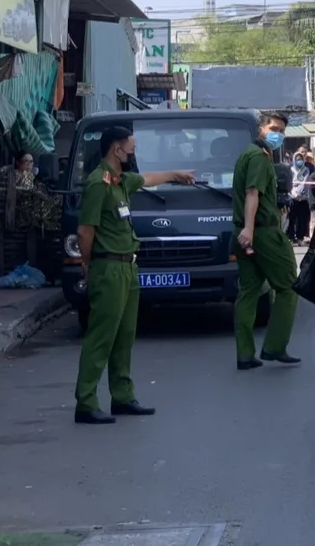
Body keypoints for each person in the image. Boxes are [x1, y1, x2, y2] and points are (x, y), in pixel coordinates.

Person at [73, 126, 196, 424]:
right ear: (117, 150)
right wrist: (88, 265)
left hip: (128, 266)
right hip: (108, 268)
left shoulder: (119, 181)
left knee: (124, 336)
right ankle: (86, 402)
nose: (133, 154)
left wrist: (175, 174)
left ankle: (122, 396)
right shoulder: (98, 184)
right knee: (101, 337)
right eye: (131, 149)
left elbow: (148, 179)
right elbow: (84, 231)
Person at [232, 112, 303, 371]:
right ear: (261, 128)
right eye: (274, 128)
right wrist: (250, 229)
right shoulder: (259, 159)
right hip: (262, 233)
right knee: (289, 287)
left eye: (282, 130)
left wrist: (245, 230)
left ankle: (245, 354)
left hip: (245, 231)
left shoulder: (249, 154)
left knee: (249, 292)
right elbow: (252, 194)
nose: (278, 134)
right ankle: (275, 346)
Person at [288, 150, 315, 244]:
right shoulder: (290, 169)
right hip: (292, 197)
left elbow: (305, 183)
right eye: (297, 159)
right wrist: (293, 193)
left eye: (301, 159)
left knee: (303, 218)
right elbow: (289, 182)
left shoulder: (306, 170)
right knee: (291, 218)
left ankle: (300, 237)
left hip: (303, 198)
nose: (299, 161)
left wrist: (299, 192)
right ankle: (291, 237)